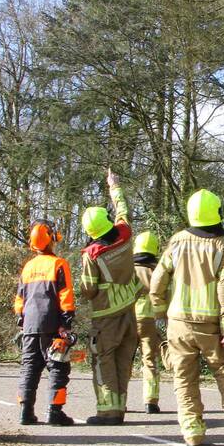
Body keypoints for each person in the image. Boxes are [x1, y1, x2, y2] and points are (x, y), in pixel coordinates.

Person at [149, 189, 224, 446]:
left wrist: (161, 312)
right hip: (212, 326)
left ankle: (193, 433)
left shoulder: (176, 242)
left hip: (178, 325)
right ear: (217, 213)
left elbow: (158, 281)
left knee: (184, 379)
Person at [79, 170, 142, 426]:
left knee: (104, 359)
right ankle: (121, 406)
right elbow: (122, 209)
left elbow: (89, 289)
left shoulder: (92, 255)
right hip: (129, 309)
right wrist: (114, 186)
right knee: (124, 360)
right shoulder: (126, 235)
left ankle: (108, 411)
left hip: (105, 315)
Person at [13, 219, 75, 426]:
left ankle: (25, 412)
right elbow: (65, 294)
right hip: (53, 324)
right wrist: (66, 321)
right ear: (51, 239)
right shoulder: (59, 264)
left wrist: (22, 320)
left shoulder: (28, 267)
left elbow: (20, 299)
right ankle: (54, 412)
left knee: (29, 368)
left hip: (29, 325)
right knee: (58, 367)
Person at [132, 231, 165, 414]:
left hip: (129, 319)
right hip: (150, 320)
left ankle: (119, 401)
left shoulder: (128, 269)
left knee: (124, 360)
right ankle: (150, 401)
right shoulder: (158, 270)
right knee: (150, 360)